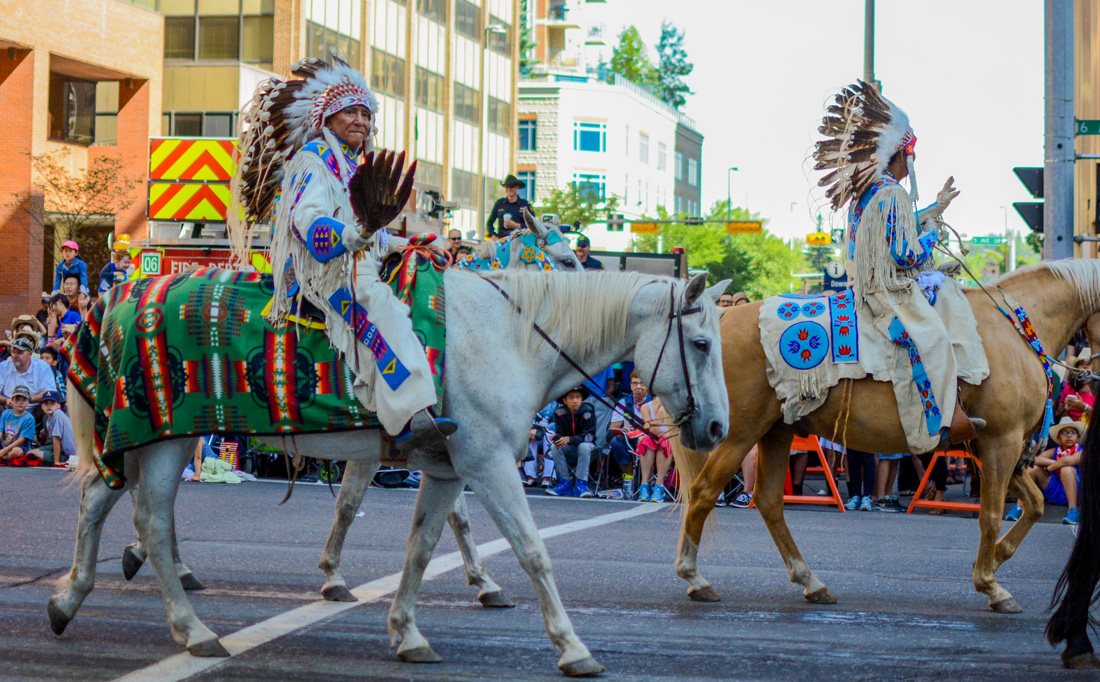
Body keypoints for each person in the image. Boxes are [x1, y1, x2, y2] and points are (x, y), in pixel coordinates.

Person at [230, 55, 454, 453]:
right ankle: (406, 418)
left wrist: (412, 243)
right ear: (328, 118)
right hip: (322, 271)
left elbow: (372, 237)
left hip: (354, 263)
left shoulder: (351, 166)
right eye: (349, 112)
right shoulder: (313, 159)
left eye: (365, 114)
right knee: (380, 307)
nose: (360, 121)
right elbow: (305, 219)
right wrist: (349, 236)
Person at [814, 81, 983, 455]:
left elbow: (898, 225)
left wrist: (935, 208)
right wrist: (932, 238)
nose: (912, 162)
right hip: (890, 291)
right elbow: (905, 253)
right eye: (911, 154)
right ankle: (942, 419)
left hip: (868, 287)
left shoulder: (871, 192)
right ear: (900, 153)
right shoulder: (891, 193)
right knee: (937, 337)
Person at [1006, 417, 1085, 525]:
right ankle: (1019, 508)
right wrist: (1057, 463)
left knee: (1066, 469)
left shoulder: (1082, 452)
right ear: (1058, 438)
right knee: (1032, 468)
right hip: (1057, 491)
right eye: (1064, 433)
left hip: (1077, 491)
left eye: (1072, 432)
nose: (1069, 435)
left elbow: (1067, 460)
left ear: (1078, 437)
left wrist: (1049, 468)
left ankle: (1073, 511)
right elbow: (1036, 459)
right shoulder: (1055, 451)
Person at [545, 387, 597, 498]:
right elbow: (561, 433)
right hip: (569, 446)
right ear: (564, 400)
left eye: (578, 397)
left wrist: (569, 439)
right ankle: (565, 482)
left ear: (582, 399)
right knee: (555, 447)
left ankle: (581, 483)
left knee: (584, 446)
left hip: (587, 445)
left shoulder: (588, 412)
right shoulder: (560, 413)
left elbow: (589, 436)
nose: (575, 401)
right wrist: (557, 437)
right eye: (571, 397)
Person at [607, 371, 651, 498]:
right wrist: (623, 430)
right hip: (629, 440)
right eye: (635, 383)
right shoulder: (623, 402)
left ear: (647, 386)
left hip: (647, 440)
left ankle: (645, 482)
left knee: (647, 441)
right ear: (631, 386)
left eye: (642, 383)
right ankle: (629, 479)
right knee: (616, 442)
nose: (638, 387)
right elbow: (613, 427)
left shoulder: (654, 403)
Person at [636, 397, 673, 503]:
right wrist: (660, 415)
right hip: (653, 439)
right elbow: (651, 431)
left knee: (666, 441)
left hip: (672, 442)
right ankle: (644, 485)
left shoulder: (676, 406)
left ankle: (659, 485)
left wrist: (662, 411)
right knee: (647, 439)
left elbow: (677, 431)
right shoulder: (646, 407)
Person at [25, 391, 73, 467]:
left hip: (70, 455)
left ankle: (59, 459)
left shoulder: (57, 414)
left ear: (58, 405)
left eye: (52, 403)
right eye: (46, 404)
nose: (49, 406)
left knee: (32, 454)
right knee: (30, 452)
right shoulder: (48, 420)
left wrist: (56, 462)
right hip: (62, 449)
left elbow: (57, 439)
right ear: (42, 407)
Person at [485, 175, 531, 239]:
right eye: (507, 187)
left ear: (517, 187)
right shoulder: (499, 203)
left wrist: (516, 225)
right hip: (502, 241)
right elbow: (489, 223)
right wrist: (494, 237)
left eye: (511, 186)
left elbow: (532, 225)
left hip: (519, 241)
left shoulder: (525, 205)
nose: (509, 189)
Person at [0, 385, 37, 462]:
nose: (21, 402)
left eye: (24, 400)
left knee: (17, 452)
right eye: (17, 399)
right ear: (12, 400)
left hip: (19, 447)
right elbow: (0, 431)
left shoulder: (29, 418)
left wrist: (5, 450)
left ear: (28, 402)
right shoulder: (6, 413)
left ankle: (4, 458)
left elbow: (22, 440)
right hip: (3, 444)